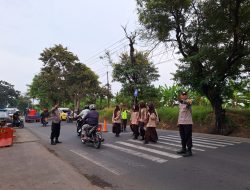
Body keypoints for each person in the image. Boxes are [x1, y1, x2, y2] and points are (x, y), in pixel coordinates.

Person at [176, 91, 193, 157]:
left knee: (188, 136)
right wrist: (178, 122)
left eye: (185, 94)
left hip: (187, 122)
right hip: (181, 122)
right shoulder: (180, 104)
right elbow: (180, 113)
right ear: (181, 96)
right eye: (182, 95)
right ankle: (183, 149)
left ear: (187, 95)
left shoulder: (189, 101)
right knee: (182, 137)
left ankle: (189, 151)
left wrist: (182, 101)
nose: (184, 96)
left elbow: (189, 103)